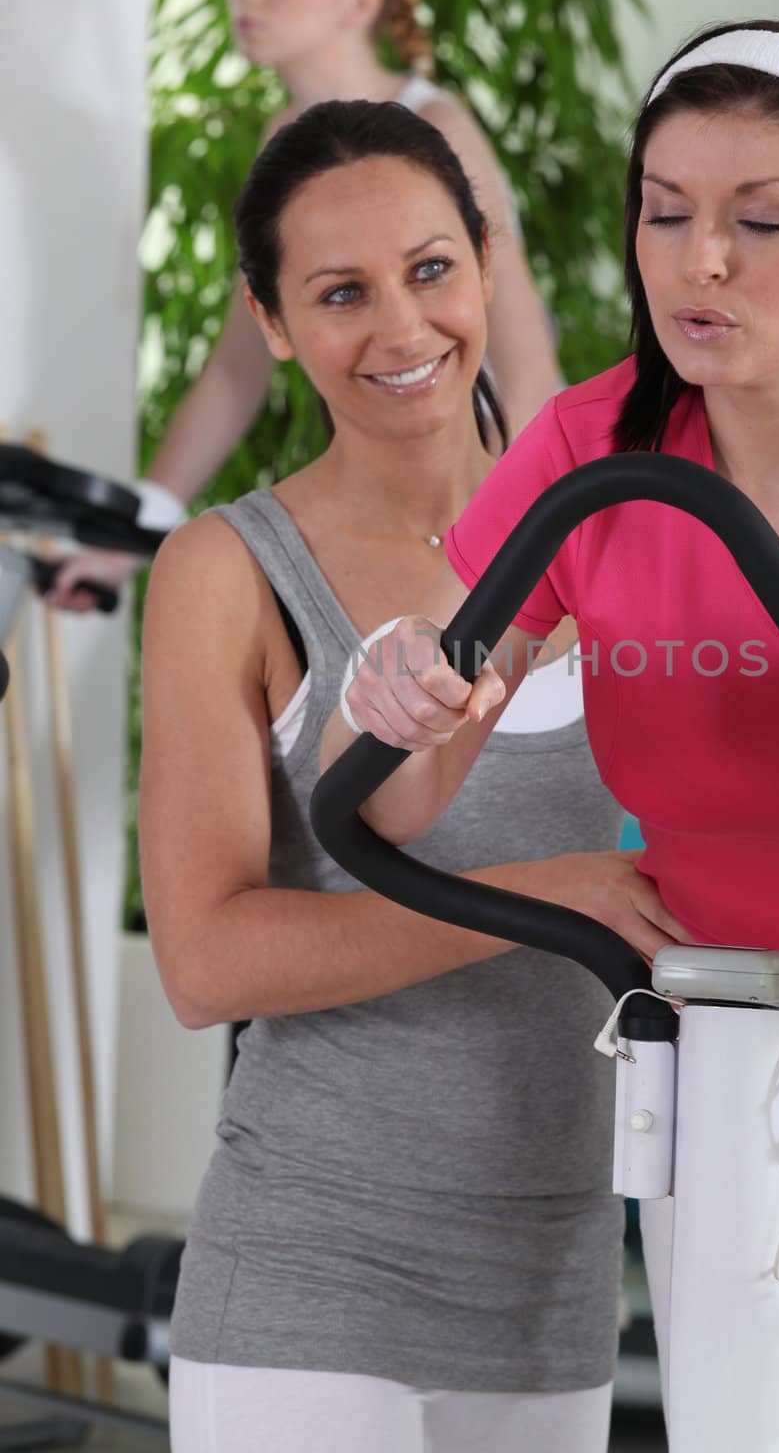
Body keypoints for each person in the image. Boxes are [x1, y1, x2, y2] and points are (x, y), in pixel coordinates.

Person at [339, 19, 779, 1453]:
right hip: (738, 1020)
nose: (697, 262)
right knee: (751, 1435)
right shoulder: (587, 448)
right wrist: (394, 685)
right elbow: (410, 782)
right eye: (663, 216)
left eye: (756, 221)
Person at [139, 98, 690, 1453]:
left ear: (484, 261)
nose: (400, 330)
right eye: (339, 293)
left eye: (430, 269)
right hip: (308, 1278)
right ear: (270, 322)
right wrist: (534, 900)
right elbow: (205, 961)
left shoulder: (608, 534)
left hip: (552, 1288)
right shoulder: (230, 573)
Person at [52, 0, 561, 609]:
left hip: (475, 515)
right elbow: (237, 367)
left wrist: (514, 556)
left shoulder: (438, 130)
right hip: (372, 498)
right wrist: (131, 538)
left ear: (360, 1)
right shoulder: (281, 143)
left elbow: (529, 366)